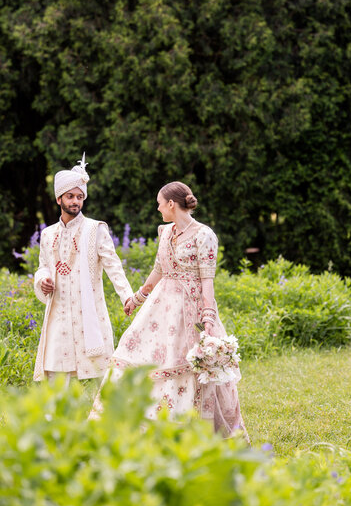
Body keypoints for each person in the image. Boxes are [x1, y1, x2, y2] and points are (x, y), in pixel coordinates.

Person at [92, 181, 247, 439]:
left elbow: (207, 279)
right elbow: (159, 269)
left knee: (187, 364)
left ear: (172, 204)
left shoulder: (204, 235)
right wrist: (138, 297)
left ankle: (187, 429)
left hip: (190, 309)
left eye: (160, 204)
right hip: (160, 308)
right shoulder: (165, 232)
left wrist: (208, 316)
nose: (158, 208)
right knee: (136, 350)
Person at [33, 154, 134, 383]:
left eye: (80, 197)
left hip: (89, 312)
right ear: (59, 199)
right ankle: (57, 418)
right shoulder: (48, 234)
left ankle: (107, 416)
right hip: (58, 313)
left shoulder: (95, 229)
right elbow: (43, 267)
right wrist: (43, 280)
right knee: (57, 375)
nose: (75, 201)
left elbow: (113, 266)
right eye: (70, 196)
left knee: (103, 376)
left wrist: (127, 295)